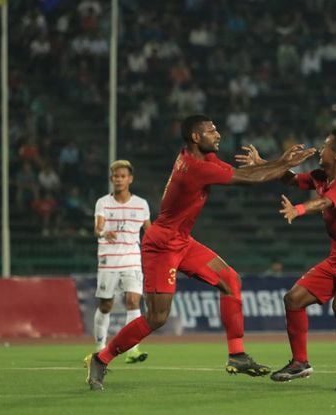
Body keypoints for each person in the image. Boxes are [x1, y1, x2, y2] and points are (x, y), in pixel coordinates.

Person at [86, 114, 315, 390]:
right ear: (196, 137)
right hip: (162, 246)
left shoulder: (203, 159)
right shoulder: (194, 167)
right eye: (211, 131)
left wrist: (272, 164)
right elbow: (248, 179)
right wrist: (284, 163)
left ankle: (237, 354)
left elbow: (246, 173)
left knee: (230, 280)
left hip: (182, 241)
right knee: (157, 317)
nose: (218, 134)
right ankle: (101, 358)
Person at [244, 128, 336, 391]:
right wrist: (263, 164)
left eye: (325, 146)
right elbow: (290, 179)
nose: (320, 149)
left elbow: (324, 203)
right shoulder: (320, 176)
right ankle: (300, 362)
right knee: (293, 299)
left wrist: (299, 209)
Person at [89, 159, 151, 364]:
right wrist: (105, 232)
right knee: (106, 305)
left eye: (123, 176)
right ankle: (100, 347)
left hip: (133, 260)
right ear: (111, 179)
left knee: (133, 301)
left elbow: (148, 232)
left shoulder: (141, 204)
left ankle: (132, 349)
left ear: (130, 179)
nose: (119, 179)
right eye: (116, 176)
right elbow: (97, 229)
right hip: (109, 260)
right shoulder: (103, 202)